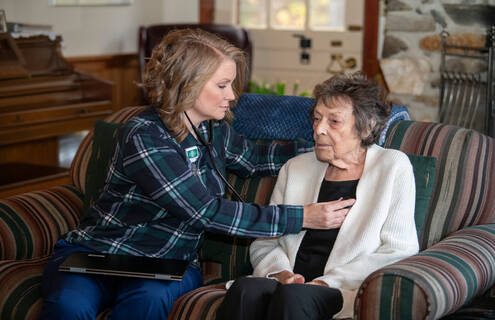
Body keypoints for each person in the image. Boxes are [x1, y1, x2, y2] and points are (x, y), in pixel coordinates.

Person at [40, 29, 356, 320]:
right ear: (186, 83)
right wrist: (301, 217)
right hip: (99, 254)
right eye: (222, 85)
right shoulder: (145, 136)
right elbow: (205, 212)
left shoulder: (213, 129)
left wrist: (320, 147)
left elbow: (252, 157)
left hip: (166, 263)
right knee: (70, 305)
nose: (232, 95)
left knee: (149, 301)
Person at [216, 72, 420, 320]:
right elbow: (266, 241)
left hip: (343, 288)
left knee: (294, 297)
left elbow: (399, 250)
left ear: (366, 128)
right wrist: (280, 274)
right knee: (246, 289)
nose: (318, 129)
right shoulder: (296, 167)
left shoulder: (392, 167)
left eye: (334, 121)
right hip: (288, 282)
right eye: (316, 118)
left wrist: (325, 282)